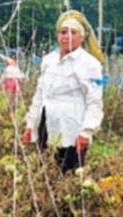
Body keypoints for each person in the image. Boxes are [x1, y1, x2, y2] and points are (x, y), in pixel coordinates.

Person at [23, 10, 104, 173]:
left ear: (81, 37)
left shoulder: (90, 64)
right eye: (63, 32)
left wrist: (86, 131)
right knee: (45, 168)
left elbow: (94, 101)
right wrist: (31, 123)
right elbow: (40, 94)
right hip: (47, 121)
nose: (66, 36)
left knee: (70, 171)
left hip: (72, 125)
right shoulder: (49, 60)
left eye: (72, 32)